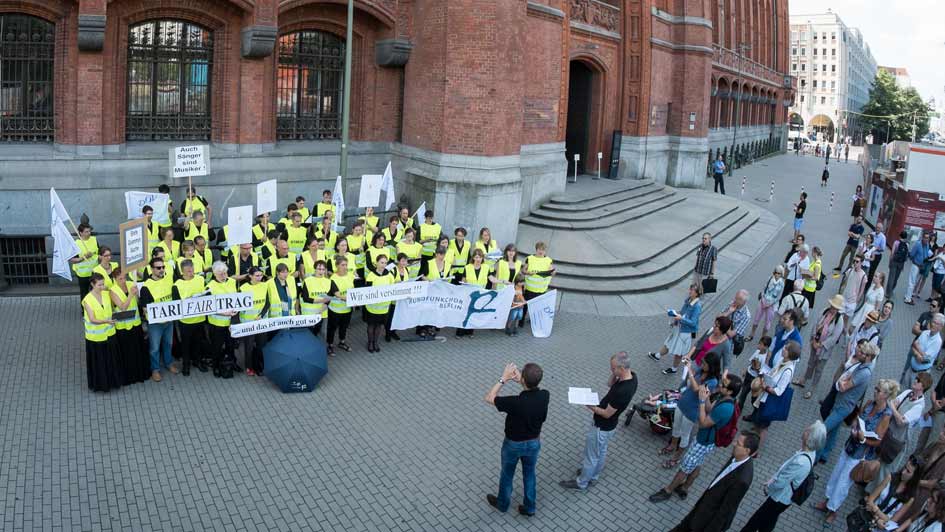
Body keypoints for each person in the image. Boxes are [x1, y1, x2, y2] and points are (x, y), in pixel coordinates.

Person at [648, 373, 743, 502]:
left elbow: (703, 423)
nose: (720, 385)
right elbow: (710, 409)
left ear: (730, 391)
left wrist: (702, 401)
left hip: (704, 442)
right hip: (705, 440)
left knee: (685, 466)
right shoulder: (724, 397)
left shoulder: (726, 408)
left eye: (724, 385)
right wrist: (707, 396)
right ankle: (685, 488)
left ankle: (668, 490)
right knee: (696, 464)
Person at [815, 379, 897, 526]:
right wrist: (854, 425)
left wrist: (863, 439)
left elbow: (878, 440)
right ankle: (827, 501)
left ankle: (833, 510)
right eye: (876, 388)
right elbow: (858, 417)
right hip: (850, 445)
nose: (875, 391)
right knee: (836, 474)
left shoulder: (886, 415)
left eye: (879, 390)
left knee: (844, 482)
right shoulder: (870, 403)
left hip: (861, 454)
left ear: (885, 395)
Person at [559, 352, 637, 491]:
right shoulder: (632, 377)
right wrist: (615, 373)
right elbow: (609, 383)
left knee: (591, 457)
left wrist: (590, 406)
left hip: (602, 426)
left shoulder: (623, 391)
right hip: (609, 428)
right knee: (601, 452)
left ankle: (581, 483)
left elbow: (607, 414)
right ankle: (593, 476)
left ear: (622, 368)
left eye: (613, 369)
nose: (611, 371)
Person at [484, 362, 549, 517]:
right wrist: (522, 380)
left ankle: (503, 504)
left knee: (507, 474)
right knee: (529, 474)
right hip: (534, 443)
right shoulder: (545, 395)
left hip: (513, 445)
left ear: (524, 381)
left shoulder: (514, 402)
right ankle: (530, 507)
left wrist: (503, 379)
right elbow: (531, 389)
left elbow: (489, 398)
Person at [739, 421, 825, 532]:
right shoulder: (810, 453)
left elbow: (781, 482)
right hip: (783, 498)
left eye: (808, 430)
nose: (805, 429)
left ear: (809, 437)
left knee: (755, 521)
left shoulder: (801, 462)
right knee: (768, 521)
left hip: (779, 498)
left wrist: (769, 488)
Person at [667, 431, 758, 532]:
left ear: (746, 450)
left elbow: (725, 511)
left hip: (707, 521)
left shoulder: (742, 480)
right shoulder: (736, 456)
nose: (734, 444)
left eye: (738, 443)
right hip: (703, 508)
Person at [866, 373, 934, 495]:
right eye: (916, 378)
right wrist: (895, 408)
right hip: (889, 432)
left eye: (918, 380)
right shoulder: (908, 392)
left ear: (923, 387)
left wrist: (893, 407)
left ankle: (874, 495)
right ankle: (868, 487)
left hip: (898, 441)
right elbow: (895, 404)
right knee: (878, 459)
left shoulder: (919, 406)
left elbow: (901, 421)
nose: (915, 380)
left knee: (886, 468)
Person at [658, 352, 722, 469]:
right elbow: (690, 380)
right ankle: (672, 445)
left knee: (685, 434)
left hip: (692, 411)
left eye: (705, 364)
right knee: (676, 426)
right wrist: (689, 367)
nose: (702, 365)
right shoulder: (701, 371)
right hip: (682, 403)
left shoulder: (713, 382)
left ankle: (676, 458)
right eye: (702, 362)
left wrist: (690, 373)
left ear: (712, 366)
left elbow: (697, 390)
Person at [818, 342, 878, 463]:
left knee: (823, 430)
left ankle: (815, 456)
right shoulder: (862, 366)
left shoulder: (864, 372)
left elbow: (844, 386)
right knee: (834, 430)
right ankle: (824, 455)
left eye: (862, 353)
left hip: (843, 407)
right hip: (841, 403)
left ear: (868, 357)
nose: (858, 353)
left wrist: (842, 380)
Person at [750, 340, 800, 452]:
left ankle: (756, 449)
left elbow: (779, 391)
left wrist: (765, 387)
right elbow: (773, 373)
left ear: (790, 353)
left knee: (764, 426)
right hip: (765, 395)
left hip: (770, 399)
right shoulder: (783, 361)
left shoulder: (788, 370)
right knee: (760, 420)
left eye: (786, 348)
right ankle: (755, 435)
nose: (783, 349)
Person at [793, 294, 846, 398]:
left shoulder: (839, 321)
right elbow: (815, 325)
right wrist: (813, 340)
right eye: (832, 306)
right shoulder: (824, 311)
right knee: (810, 363)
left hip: (824, 350)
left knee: (819, 369)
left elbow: (834, 338)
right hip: (814, 344)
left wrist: (821, 345)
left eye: (835, 308)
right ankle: (803, 380)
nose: (833, 309)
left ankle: (812, 388)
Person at [862, 455, 928, 532]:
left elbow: (892, 521)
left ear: (914, 477)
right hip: (866, 518)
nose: (903, 472)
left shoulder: (910, 497)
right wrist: (878, 518)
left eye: (908, 471)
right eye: (905, 467)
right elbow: (870, 500)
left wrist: (876, 509)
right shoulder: (890, 477)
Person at [138, 256, 177, 382]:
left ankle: (169, 363)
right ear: (151, 269)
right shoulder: (146, 287)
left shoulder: (168, 279)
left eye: (163, 267)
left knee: (168, 343)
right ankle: (155, 369)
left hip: (169, 321)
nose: (161, 270)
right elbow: (145, 308)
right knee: (154, 348)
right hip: (155, 324)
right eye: (158, 268)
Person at [82, 272, 123, 392]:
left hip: (110, 334)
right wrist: (107, 321)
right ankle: (101, 385)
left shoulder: (106, 294)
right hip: (96, 338)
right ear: (92, 284)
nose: (102, 287)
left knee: (111, 361)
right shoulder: (87, 300)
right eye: (99, 285)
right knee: (100, 363)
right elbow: (92, 319)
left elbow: (111, 308)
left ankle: (113, 382)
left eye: (103, 284)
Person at [648, 284, 702, 371]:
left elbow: (693, 323)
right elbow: (682, 312)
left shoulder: (697, 306)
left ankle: (674, 369)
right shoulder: (689, 300)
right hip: (679, 328)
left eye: (692, 290)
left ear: (697, 293)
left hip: (685, 332)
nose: (689, 291)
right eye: (690, 289)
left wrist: (681, 319)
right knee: (669, 343)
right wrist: (675, 320)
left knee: (679, 352)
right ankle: (657, 356)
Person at [109, 268, 149, 385]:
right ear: (115, 279)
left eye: (124, 277)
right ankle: (129, 376)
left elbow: (138, 302)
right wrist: (131, 295)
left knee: (137, 349)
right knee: (127, 352)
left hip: (135, 323)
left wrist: (136, 295)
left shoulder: (131, 283)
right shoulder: (113, 290)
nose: (123, 280)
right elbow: (122, 307)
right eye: (120, 278)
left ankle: (140, 374)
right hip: (123, 325)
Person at [173, 259, 208, 376]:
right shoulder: (177, 284)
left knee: (198, 342)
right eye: (188, 271)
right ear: (182, 272)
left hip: (200, 319)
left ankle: (197, 361)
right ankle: (186, 365)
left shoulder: (200, 279)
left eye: (192, 270)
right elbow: (176, 303)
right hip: (186, 321)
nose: (191, 273)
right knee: (186, 344)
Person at [206, 261, 238, 377]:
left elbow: (238, 299)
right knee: (217, 347)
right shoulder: (210, 287)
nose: (224, 275)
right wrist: (223, 313)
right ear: (214, 274)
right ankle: (216, 366)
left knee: (231, 345)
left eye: (225, 273)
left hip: (231, 322)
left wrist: (237, 310)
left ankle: (232, 363)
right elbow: (208, 307)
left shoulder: (233, 282)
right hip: (217, 323)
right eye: (220, 274)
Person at [238, 267, 269, 376]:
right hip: (248, 322)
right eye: (257, 275)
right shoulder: (243, 288)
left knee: (262, 345)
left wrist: (261, 315)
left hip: (261, 321)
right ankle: (249, 367)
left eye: (261, 275)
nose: (259, 277)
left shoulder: (265, 286)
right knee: (249, 346)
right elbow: (239, 307)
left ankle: (261, 365)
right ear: (250, 276)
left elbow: (267, 303)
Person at [902, 313, 944, 389]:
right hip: (911, 369)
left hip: (920, 375)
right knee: (903, 390)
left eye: (936, 323)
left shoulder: (938, 341)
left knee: (913, 396)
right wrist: (918, 352)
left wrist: (917, 348)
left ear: (941, 327)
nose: (932, 324)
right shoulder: (925, 333)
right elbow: (913, 346)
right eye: (933, 322)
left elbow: (923, 359)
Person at [364, 254, 394, 352]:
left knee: (379, 325)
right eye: (381, 262)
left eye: (385, 263)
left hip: (384, 307)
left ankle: (376, 342)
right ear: (376, 263)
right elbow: (367, 291)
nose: (383, 265)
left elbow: (392, 289)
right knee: (371, 325)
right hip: (372, 307)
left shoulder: (389, 275)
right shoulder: (371, 275)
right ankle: (370, 342)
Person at [327, 256, 356, 355]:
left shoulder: (350, 276)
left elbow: (353, 290)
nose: (345, 267)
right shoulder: (333, 278)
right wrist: (352, 300)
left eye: (346, 265)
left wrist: (354, 301)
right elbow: (337, 294)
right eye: (342, 265)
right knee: (332, 328)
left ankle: (342, 342)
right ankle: (330, 345)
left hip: (347, 309)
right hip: (335, 310)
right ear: (337, 266)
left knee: (344, 327)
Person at [748, 265, 784, 341]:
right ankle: (752, 334)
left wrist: (770, 304)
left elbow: (779, 297)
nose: (777, 274)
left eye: (779, 273)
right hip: (763, 301)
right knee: (756, 318)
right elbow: (764, 289)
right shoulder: (770, 278)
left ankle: (763, 338)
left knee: (767, 322)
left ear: (781, 274)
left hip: (772, 305)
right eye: (776, 272)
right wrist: (763, 300)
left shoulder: (782, 283)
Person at [738, 336, 772, 414]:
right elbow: (751, 362)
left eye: (761, 344)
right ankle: (739, 408)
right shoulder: (757, 351)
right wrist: (746, 370)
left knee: (751, 396)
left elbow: (762, 372)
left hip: (754, 379)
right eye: (759, 343)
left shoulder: (764, 358)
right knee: (743, 393)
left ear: (766, 347)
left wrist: (757, 368)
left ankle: (756, 410)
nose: (758, 345)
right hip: (748, 375)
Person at [300, 260, 331, 338]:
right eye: (319, 269)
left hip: (322, 313)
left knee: (320, 334)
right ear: (315, 269)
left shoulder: (329, 282)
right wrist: (321, 300)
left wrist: (322, 308)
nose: (321, 271)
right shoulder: (307, 281)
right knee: (308, 334)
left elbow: (329, 297)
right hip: (309, 314)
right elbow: (305, 298)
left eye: (323, 269)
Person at [70, 223, 99, 302]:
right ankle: (84, 311)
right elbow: (72, 260)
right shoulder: (76, 244)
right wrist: (84, 257)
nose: (89, 233)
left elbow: (98, 254)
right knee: (84, 293)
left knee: (96, 292)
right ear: (80, 233)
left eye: (89, 231)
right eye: (86, 232)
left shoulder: (94, 239)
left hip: (94, 272)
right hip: (83, 275)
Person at [841, 255, 869, 330]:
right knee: (839, 317)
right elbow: (844, 283)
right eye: (854, 261)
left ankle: (842, 335)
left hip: (852, 302)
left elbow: (862, 290)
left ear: (861, 263)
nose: (855, 263)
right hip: (844, 298)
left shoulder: (863, 276)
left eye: (857, 261)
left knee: (845, 320)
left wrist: (856, 301)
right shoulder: (850, 270)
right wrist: (841, 294)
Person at [720, 289, 751, 356]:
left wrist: (722, 324)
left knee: (723, 356)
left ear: (744, 302)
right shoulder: (732, 303)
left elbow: (731, 334)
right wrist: (729, 312)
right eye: (735, 297)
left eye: (738, 299)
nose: (735, 300)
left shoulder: (746, 316)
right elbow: (718, 317)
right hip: (720, 332)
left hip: (729, 341)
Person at [906, 232, 932, 305]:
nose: (927, 239)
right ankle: (908, 299)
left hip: (922, 267)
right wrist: (916, 261)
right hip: (915, 266)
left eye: (928, 238)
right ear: (922, 237)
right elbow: (912, 254)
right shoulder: (918, 244)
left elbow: (926, 254)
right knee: (912, 282)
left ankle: (908, 296)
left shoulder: (927, 245)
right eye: (925, 237)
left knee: (915, 283)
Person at [888, 231, 912, 296]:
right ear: (906, 237)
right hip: (901, 264)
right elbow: (906, 256)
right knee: (896, 278)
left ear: (900, 236)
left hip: (894, 261)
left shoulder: (896, 242)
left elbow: (892, 253)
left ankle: (888, 293)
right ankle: (892, 290)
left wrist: (890, 262)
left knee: (891, 277)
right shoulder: (907, 245)